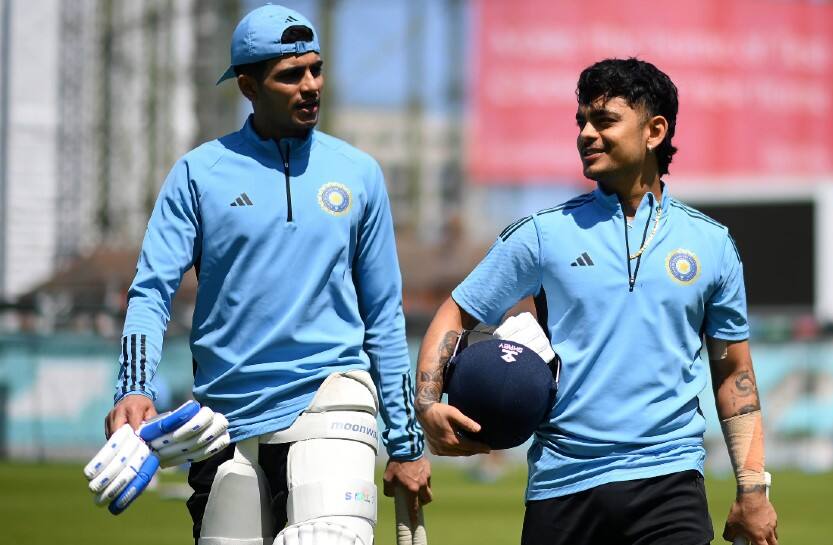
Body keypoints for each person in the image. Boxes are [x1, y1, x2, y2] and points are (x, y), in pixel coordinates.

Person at [102, 5, 430, 543]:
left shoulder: (359, 174)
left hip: (333, 396)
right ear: (249, 87)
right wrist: (133, 388)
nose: (310, 86)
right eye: (290, 75)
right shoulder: (196, 174)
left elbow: (385, 318)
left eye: (316, 69)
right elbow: (150, 291)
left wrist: (407, 443)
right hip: (222, 422)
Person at [415, 58, 778, 545]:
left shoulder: (712, 244)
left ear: (654, 131)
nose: (586, 133)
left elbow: (734, 374)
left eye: (604, 120)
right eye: (581, 121)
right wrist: (427, 404)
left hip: (669, 486)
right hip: (563, 488)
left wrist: (752, 491)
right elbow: (455, 313)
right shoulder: (543, 234)